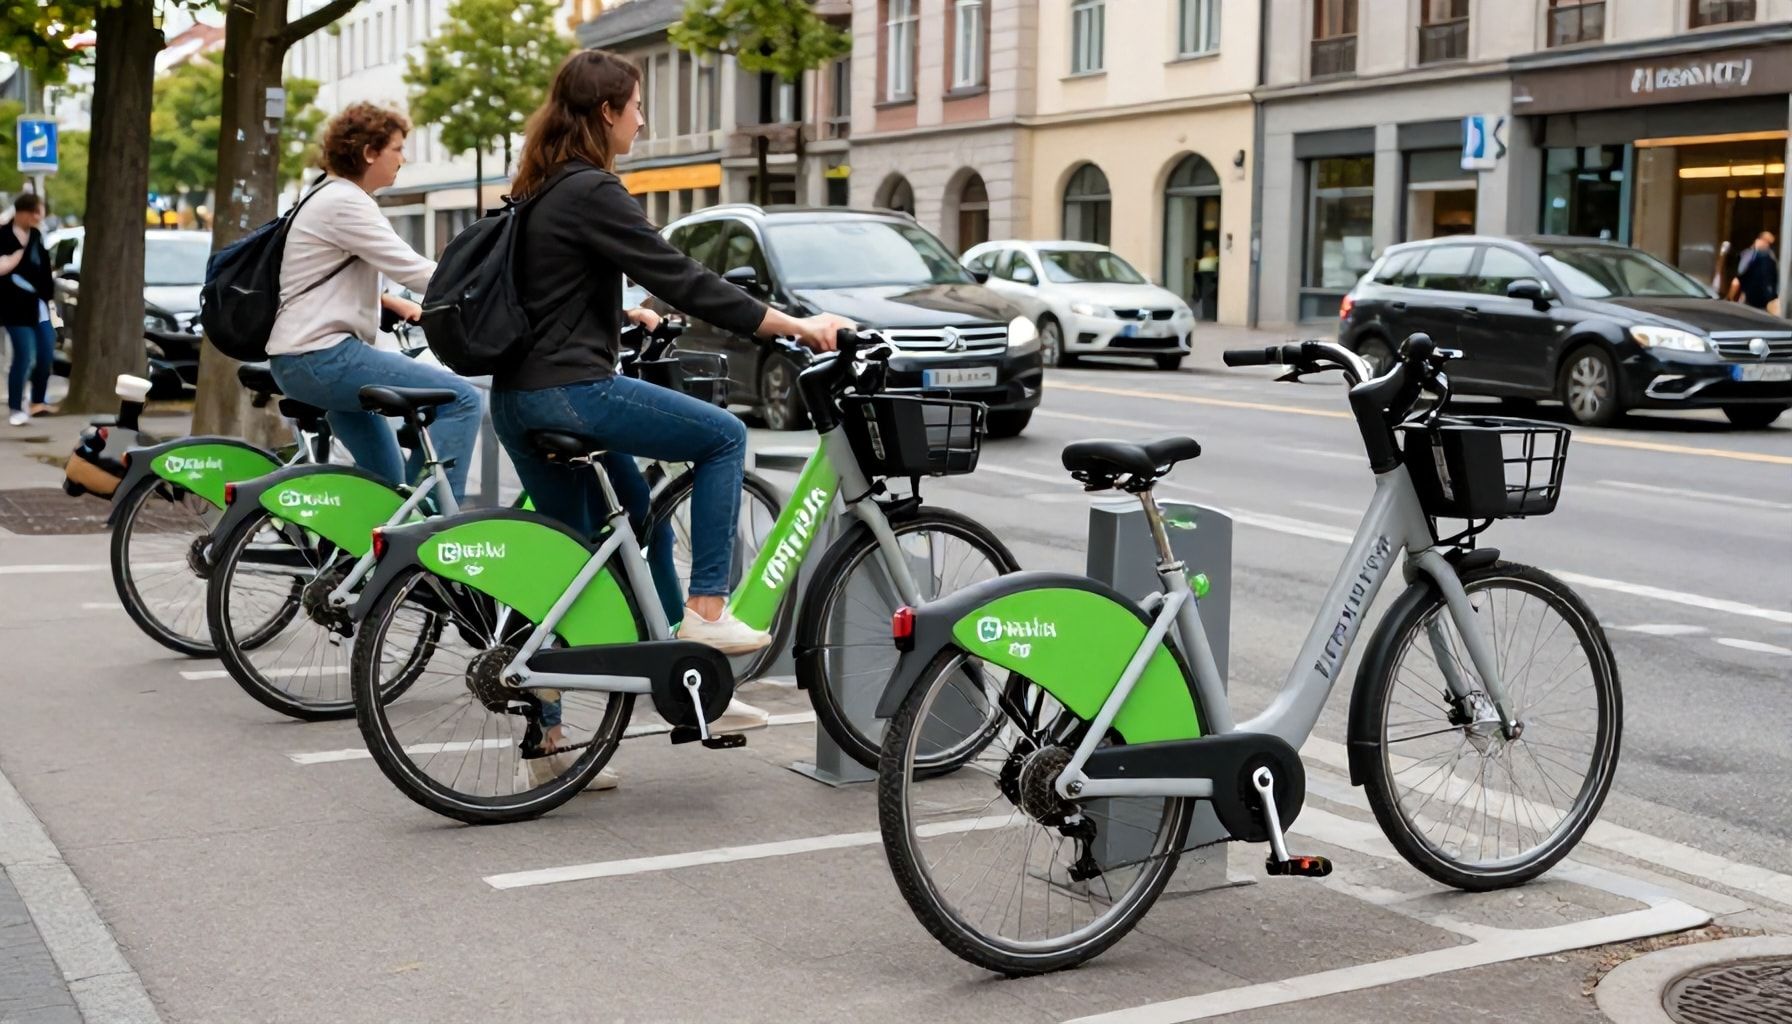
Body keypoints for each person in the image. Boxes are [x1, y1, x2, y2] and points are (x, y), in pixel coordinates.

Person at [494, 50, 853, 780]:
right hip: (571, 393)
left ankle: (553, 740)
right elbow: (683, 277)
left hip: (517, 398)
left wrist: (623, 310)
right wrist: (793, 326)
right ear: (606, 113)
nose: (642, 118)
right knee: (723, 435)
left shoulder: (540, 188)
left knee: (596, 549)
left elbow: (556, 289)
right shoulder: (594, 189)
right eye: (636, 105)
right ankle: (707, 613)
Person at [266, 103, 483, 502]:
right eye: (398, 148)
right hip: (323, 358)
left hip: (306, 358)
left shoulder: (324, 194)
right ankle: (431, 534)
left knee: (385, 488)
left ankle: (373, 551)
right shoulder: (346, 201)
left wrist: (395, 304)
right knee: (462, 399)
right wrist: (489, 294)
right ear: (369, 152)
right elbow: (416, 271)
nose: (404, 158)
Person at [1, 194, 57, 427]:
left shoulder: (36, 236)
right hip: (13, 308)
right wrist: (17, 256)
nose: (37, 217)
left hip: (38, 306)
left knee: (46, 351)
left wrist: (49, 297)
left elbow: (43, 269)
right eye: (35, 212)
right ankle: (15, 406)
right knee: (25, 355)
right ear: (22, 212)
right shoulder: (3, 235)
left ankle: (37, 401)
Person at [1730, 232, 1781, 315]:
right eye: (1767, 242)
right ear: (1759, 240)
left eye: (1770, 244)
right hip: (1749, 302)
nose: (1768, 245)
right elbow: (1738, 278)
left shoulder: (1770, 257)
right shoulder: (1749, 254)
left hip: (1766, 304)